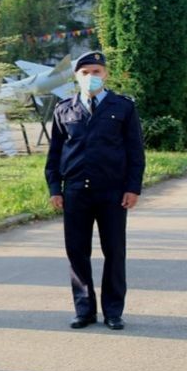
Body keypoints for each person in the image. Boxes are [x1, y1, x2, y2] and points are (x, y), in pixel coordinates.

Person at [44, 50, 145, 331]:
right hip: (76, 191)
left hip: (112, 192)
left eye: (96, 72)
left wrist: (133, 187)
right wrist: (55, 188)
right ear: (76, 76)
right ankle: (84, 310)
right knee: (77, 252)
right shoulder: (65, 108)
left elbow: (135, 151)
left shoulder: (123, 107)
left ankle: (113, 311)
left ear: (106, 74)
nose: (91, 77)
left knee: (114, 251)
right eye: (85, 73)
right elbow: (54, 154)